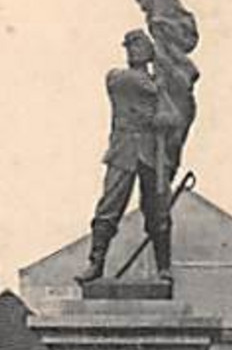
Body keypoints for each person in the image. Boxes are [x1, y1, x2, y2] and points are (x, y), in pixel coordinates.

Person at [74, 29, 175, 284]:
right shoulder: (119, 77)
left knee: (157, 211)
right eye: (129, 47)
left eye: (138, 46)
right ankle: (95, 264)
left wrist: (166, 117)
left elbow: (175, 116)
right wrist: (161, 86)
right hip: (123, 150)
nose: (132, 50)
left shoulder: (160, 85)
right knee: (109, 208)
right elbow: (138, 86)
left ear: (148, 52)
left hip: (152, 152)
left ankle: (164, 267)